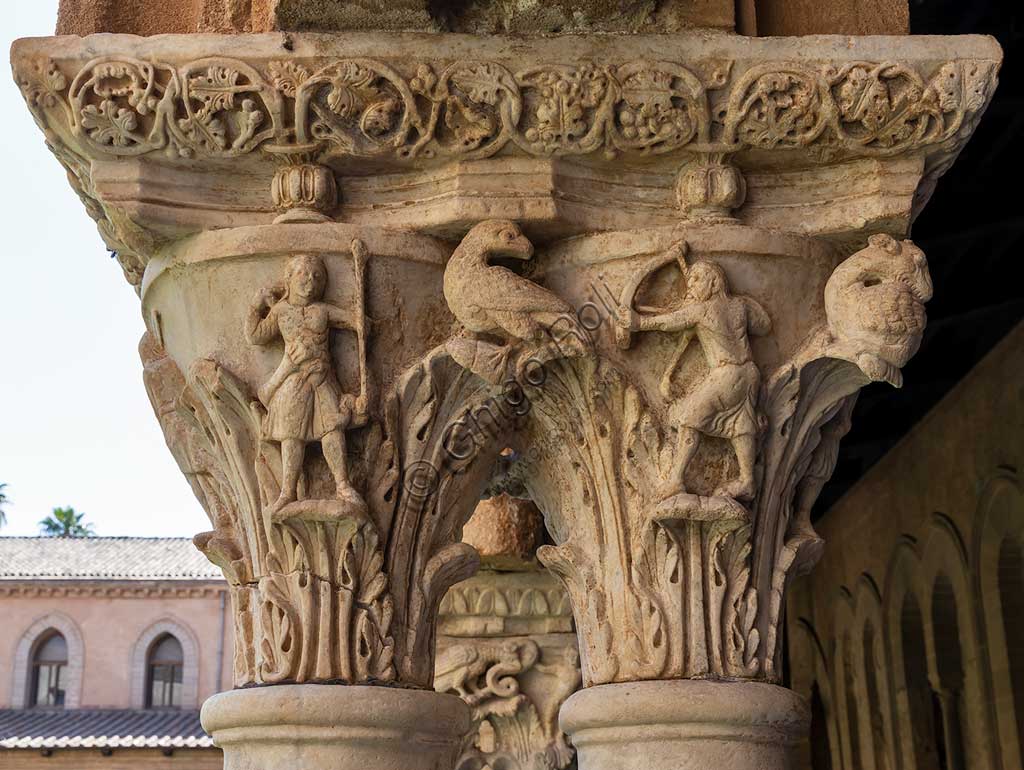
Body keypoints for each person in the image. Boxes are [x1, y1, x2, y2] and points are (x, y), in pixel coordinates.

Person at [624, 252, 770, 501]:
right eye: (690, 281)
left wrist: (638, 322)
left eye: (697, 280)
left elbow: (669, 322)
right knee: (741, 423)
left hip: (726, 373)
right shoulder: (740, 305)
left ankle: (676, 480)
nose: (691, 286)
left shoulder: (702, 310)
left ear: (714, 283)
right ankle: (747, 480)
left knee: (689, 417)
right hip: (750, 373)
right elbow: (764, 325)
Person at [246, 254, 365, 516]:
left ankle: (342, 484)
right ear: (288, 279)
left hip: (322, 378)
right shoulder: (280, 311)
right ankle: (287, 491)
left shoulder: (323, 310)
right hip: (293, 381)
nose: (310, 281)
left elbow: (357, 323)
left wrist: (361, 317)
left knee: (332, 429)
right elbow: (256, 337)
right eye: (302, 274)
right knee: (292, 435)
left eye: (316, 277)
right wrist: (256, 306)